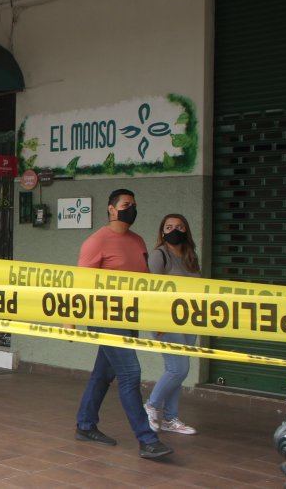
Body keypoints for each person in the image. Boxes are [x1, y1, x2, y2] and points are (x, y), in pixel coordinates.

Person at [73, 188, 173, 460]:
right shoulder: (96, 242)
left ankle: (85, 425)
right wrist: (71, 321)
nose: (132, 209)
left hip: (129, 317)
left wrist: (157, 318)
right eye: (126, 204)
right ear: (111, 209)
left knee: (103, 373)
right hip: (103, 318)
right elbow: (79, 284)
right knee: (130, 373)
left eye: (134, 204)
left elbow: (145, 283)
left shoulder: (137, 241)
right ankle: (147, 440)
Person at [144, 214, 201, 435]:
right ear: (162, 232)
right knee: (178, 368)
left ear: (186, 230)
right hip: (166, 320)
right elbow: (151, 289)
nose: (174, 230)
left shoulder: (190, 256)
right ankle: (151, 405)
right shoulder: (159, 255)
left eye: (179, 226)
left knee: (178, 371)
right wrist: (157, 321)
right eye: (168, 227)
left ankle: (170, 418)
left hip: (189, 320)